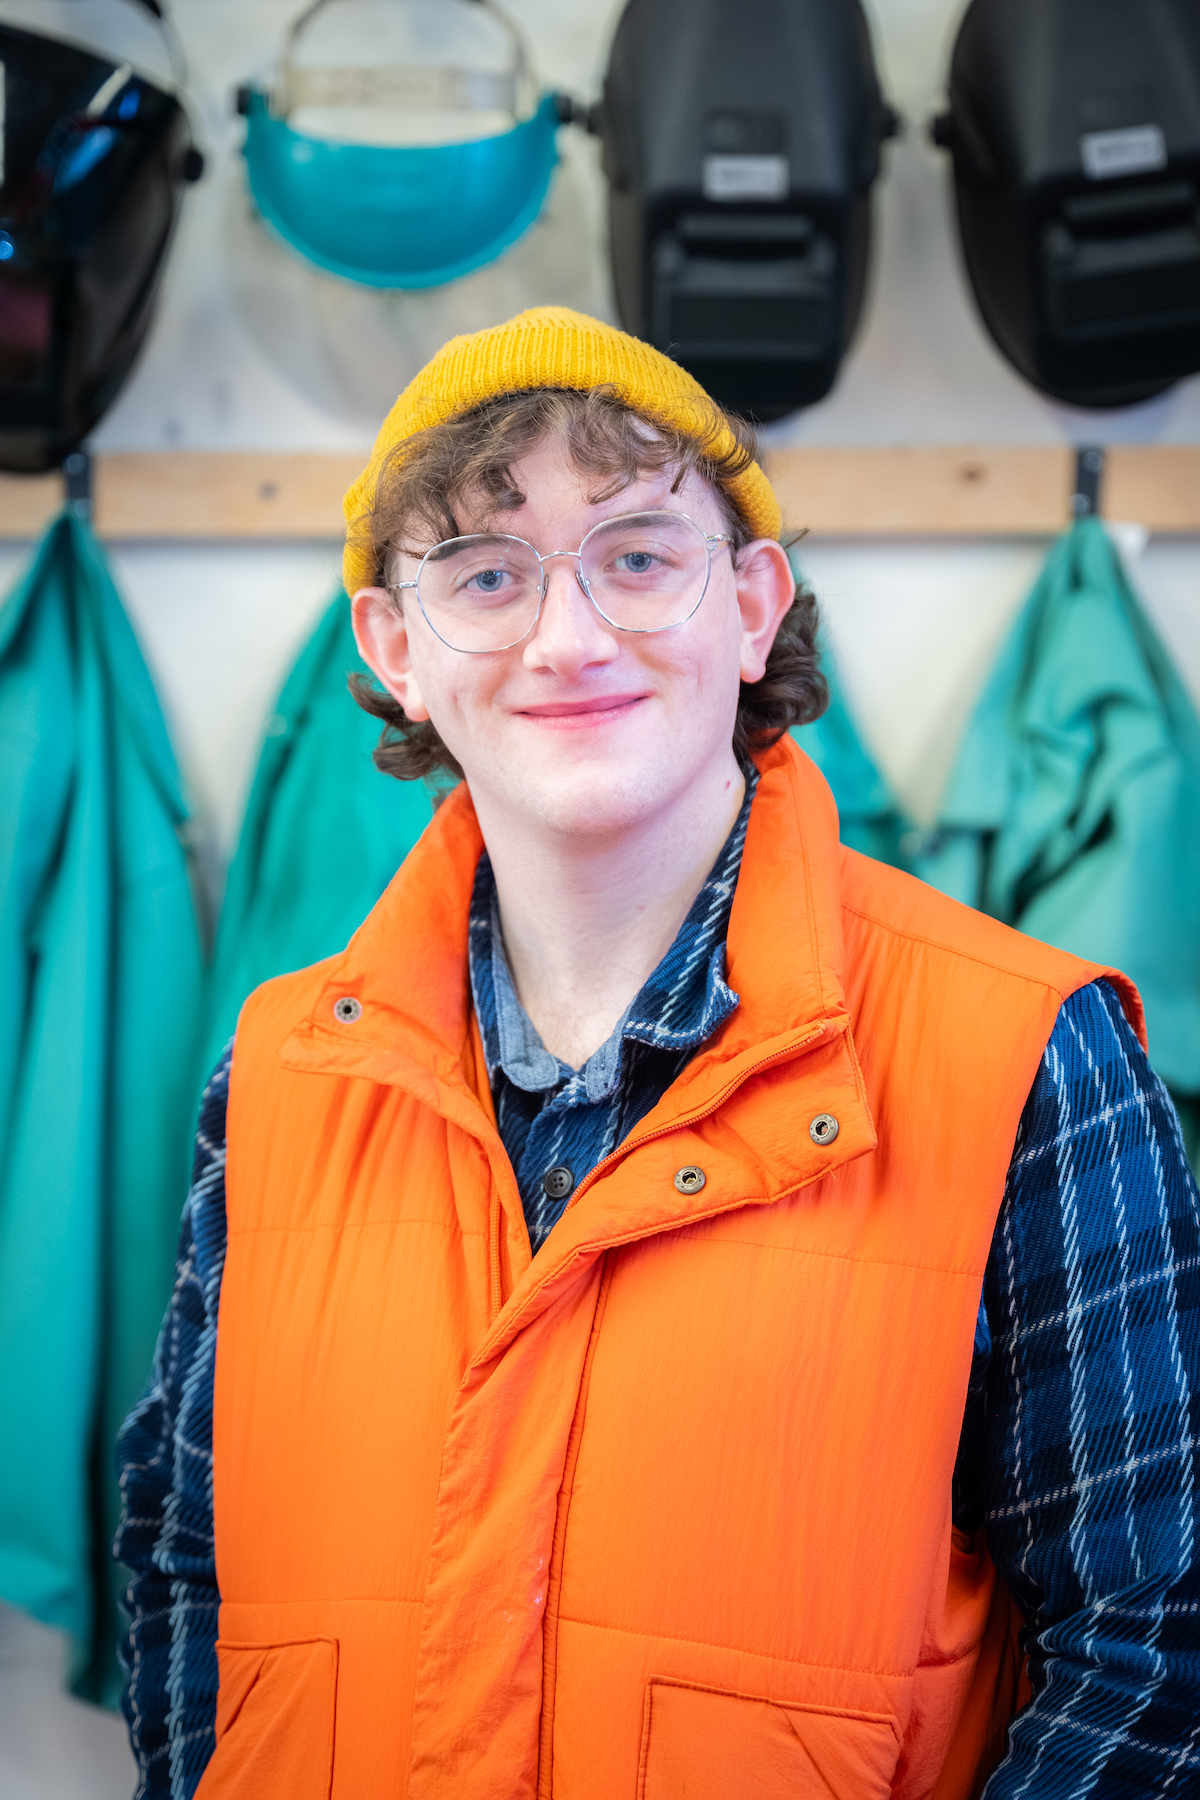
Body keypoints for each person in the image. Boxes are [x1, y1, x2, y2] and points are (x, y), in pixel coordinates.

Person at [116, 308, 1200, 1800]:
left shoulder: (1026, 1052)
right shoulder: (285, 1067)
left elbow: (1153, 1647)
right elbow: (187, 1554)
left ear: (754, 606)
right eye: (486, 575)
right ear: (396, 649)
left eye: (636, 556)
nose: (568, 638)